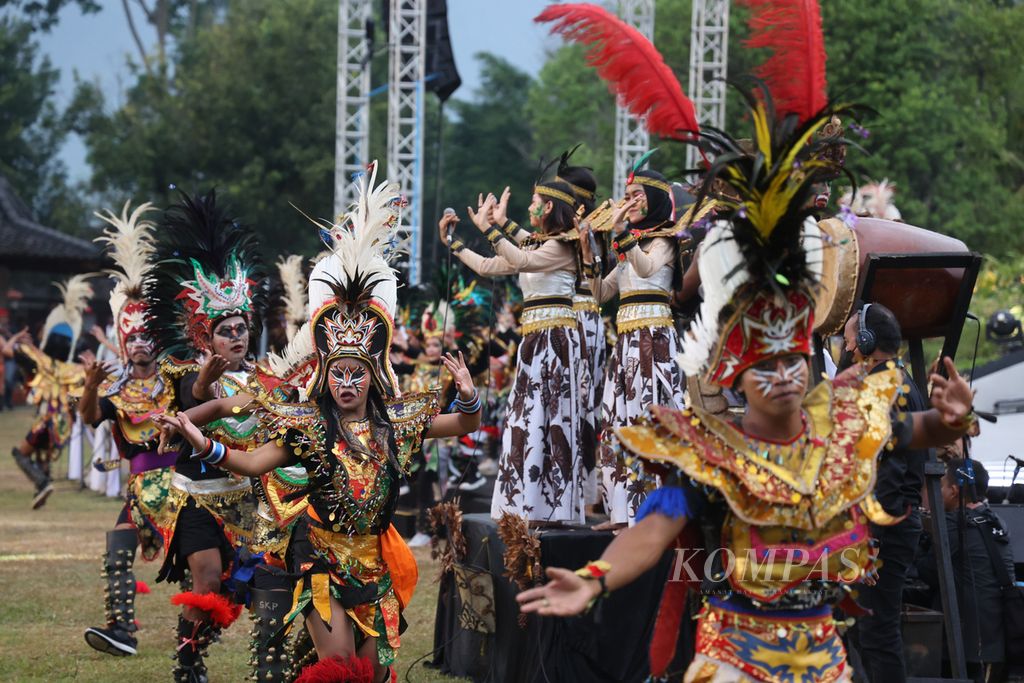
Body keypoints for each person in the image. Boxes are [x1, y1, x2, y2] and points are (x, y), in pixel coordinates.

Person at [517, 82, 979, 683]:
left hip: (822, 660)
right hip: (737, 658)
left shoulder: (841, 425)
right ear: (738, 372)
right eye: (768, 367)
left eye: (793, 361)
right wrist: (592, 579)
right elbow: (653, 532)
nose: (787, 377)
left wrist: (955, 418)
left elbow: (919, 429)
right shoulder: (713, 456)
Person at [158, 166, 482, 683]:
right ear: (325, 376)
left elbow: (464, 425)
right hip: (320, 561)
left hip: (374, 567)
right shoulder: (308, 426)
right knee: (339, 669)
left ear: (373, 373)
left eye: (357, 373)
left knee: (372, 674)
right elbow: (251, 459)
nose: (347, 383)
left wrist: (467, 395)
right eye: (338, 374)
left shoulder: (396, 421)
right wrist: (203, 443)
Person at [145, 188, 270, 682]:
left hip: (249, 498)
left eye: (241, 328)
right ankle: (189, 665)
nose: (236, 337)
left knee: (233, 591)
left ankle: (194, 646)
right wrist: (208, 385)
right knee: (208, 578)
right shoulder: (184, 370)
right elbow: (192, 403)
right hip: (197, 497)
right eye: (225, 330)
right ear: (206, 336)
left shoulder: (265, 377)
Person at [441, 180, 590, 526]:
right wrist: (455, 243)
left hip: (556, 343)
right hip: (534, 342)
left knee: (552, 420)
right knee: (526, 420)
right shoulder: (541, 245)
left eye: (535, 200)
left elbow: (523, 257)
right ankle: (529, 505)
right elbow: (490, 266)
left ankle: (554, 508)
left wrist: (492, 228)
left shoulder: (563, 246)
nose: (530, 206)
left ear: (550, 207)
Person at [77, 201, 178, 658]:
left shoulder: (178, 377)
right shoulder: (114, 387)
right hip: (140, 492)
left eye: (146, 336)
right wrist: (92, 386)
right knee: (116, 548)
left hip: (185, 489)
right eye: (132, 337)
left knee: (210, 572)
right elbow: (88, 417)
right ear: (123, 341)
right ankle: (122, 630)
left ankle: (197, 641)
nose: (139, 343)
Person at [579, 164, 686, 528]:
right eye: (626, 197)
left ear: (655, 199)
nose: (629, 203)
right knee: (619, 422)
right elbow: (601, 293)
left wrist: (622, 235)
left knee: (649, 420)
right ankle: (623, 511)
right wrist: (590, 253)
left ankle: (656, 512)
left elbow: (645, 269)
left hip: (653, 343)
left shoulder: (665, 240)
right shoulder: (629, 243)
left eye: (637, 196)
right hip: (625, 345)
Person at [840, 302, 929, 683]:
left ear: (866, 340)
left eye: (849, 341)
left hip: (883, 531)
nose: (847, 349)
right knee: (865, 630)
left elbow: (888, 474)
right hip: (887, 528)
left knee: (877, 632)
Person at [916, 459, 1015, 683]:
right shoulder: (997, 520)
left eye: (938, 487)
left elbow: (927, 572)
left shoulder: (953, 523)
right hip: (997, 638)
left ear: (953, 491)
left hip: (964, 644)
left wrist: (921, 543)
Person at [2, 275, 93, 509]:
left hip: (47, 420)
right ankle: (43, 487)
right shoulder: (74, 369)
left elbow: (7, 349)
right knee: (41, 453)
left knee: (20, 453)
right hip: (66, 422)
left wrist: (16, 337)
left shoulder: (39, 361)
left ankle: (43, 483)